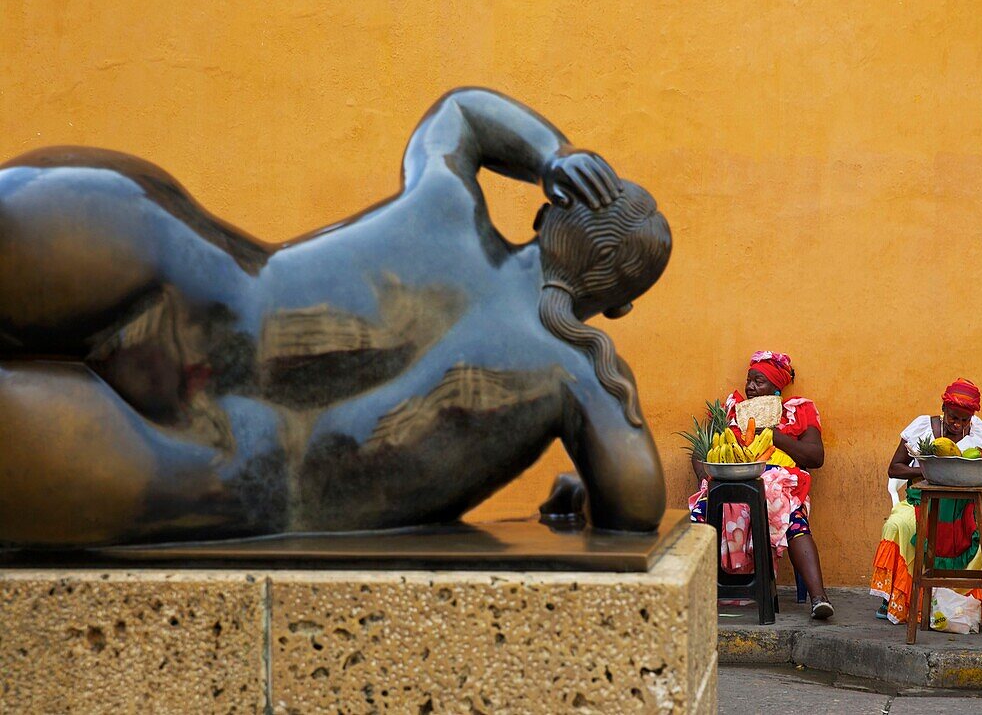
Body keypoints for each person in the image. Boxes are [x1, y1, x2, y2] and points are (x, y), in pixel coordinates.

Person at [0, 88, 672, 545]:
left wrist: (551, 153)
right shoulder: (573, 375)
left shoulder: (448, 205)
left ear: (546, 211)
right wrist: (592, 474)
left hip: (197, 280)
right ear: (620, 302)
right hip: (233, 476)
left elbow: (462, 112)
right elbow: (637, 506)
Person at [691, 351, 833, 620]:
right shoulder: (730, 410)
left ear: (776, 387)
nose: (751, 387)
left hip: (783, 484)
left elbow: (816, 457)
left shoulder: (796, 411)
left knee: (793, 518)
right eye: (749, 381)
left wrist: (773, 435)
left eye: (759, 381)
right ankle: (689, 592)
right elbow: (699, 450)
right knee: (699, 514)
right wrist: (707, 477)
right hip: (727, 481)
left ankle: (819, 599)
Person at [870, 379, 982, 623]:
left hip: (970, 504)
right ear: (943, 410)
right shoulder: (922, 427)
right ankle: (898, 597)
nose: (957, 425)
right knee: (897, 524)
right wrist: (929, 469)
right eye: (953, 418)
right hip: (924, 499)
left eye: (964, 420)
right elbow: (894, 468)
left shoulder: (981, 432)